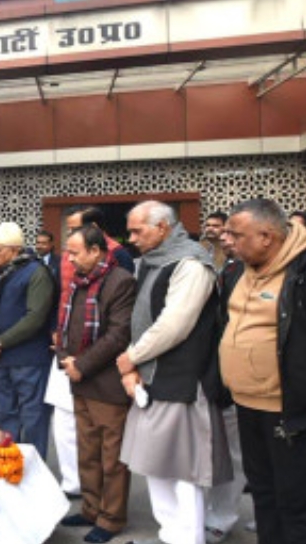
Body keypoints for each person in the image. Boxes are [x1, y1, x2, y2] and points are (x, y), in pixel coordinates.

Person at [117, 201, 231, 544]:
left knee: (184, 470)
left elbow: (174, 325)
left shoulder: (191, 264)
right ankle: (171, 535)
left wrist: (132, 357)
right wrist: (133, 364)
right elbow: (141, 319)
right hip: (152, 379)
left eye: (137, 230)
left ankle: (188, 537)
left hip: (183, 381)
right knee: (155, 465)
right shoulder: (152, 262)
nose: (131, 238)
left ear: (163, 227)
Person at [220, 198, 306, 544]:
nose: (228, 241)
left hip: (291, 411)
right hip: (246, 404)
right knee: (263, 495)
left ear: (267, 236)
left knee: (296, 503)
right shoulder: (239, 270)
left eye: (237, 235)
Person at [56, 225, 136, 544]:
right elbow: (64, 327)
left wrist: (82, 365)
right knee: (87, 452)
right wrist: (64, 357)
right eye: (68, 252)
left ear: (95, 251)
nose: (69, 259)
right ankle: (91, 508)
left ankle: (111, 518)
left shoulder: (121, 281)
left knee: (111, 457)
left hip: (106, 383)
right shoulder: (79, 281)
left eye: (75, 252)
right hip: (80, 380)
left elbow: (118, 335)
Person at [0, 222, 54, 459]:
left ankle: (34, 468)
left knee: (33, 418)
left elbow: (35, 317)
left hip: (28, 359)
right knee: (4, 415)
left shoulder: (36, 272)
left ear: (14, 250)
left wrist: (0, 342)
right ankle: (7, 464)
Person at [202, 223, 247, 544]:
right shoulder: (226, 267)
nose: (225, 239)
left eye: (233, 234)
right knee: (216, 452)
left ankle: (223, 517)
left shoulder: (252, 272)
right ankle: (209, 513)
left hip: (241, 376)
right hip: (215, 371)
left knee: (233, 454)